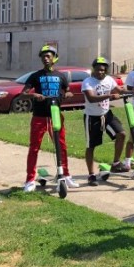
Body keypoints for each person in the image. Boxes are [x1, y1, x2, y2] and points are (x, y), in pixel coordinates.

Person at [21, 45, 79, 193]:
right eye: (43, 56)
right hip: (39, 117)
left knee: (62, 147)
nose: (46, 58)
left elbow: (68, 91)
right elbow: (24, 93)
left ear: (54, 58)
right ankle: (30, 180)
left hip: (55, 116)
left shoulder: (61, 76)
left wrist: (68, 95)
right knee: (34, 148)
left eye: (48, 56)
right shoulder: (36, 76)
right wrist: (34, 95)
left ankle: (65, 175)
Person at [82, 57, 129, 186]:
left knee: (122, 134)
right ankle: (91, 175)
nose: (100, 72)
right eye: (98, 70)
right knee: (91, 146)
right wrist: (109, 96)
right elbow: (91, 98)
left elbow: (120, 90)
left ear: (106, 70)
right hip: (92, 117)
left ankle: (115, 163)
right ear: (94, 69)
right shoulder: (88, 82)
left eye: (103, 70)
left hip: (107, 114)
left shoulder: (109, 79)